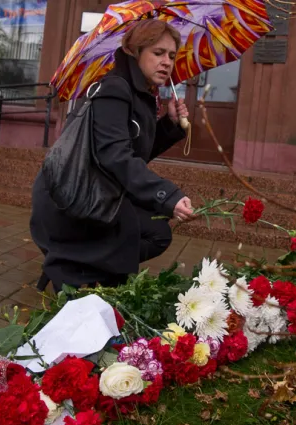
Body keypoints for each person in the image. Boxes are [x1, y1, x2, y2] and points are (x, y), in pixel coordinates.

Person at [30, 19, 195, 292]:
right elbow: (115, 155)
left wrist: (170, 124)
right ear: (136, 51)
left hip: (99, 188)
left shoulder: (139, 94)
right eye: (158, 53)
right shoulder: (114, 89)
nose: (167, 62)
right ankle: (72, 267)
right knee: (154, 233)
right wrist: (167, 195)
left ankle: (84, 267)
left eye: (171, 55)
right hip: (76, 194)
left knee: (157, 231)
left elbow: (136, 152)